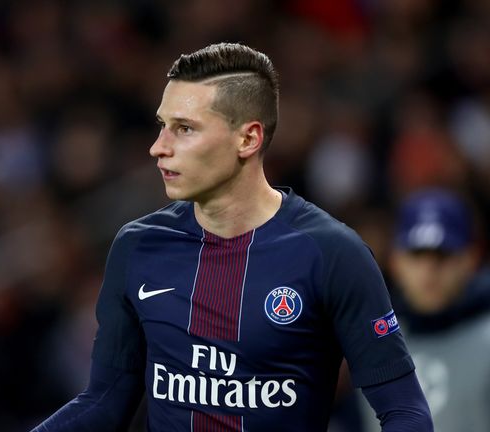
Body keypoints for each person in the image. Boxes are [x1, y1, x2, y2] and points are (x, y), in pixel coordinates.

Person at [32, 43, 432, 431]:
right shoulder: (137, 247)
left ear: (248, 139)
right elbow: (104, 402)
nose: (158, 148)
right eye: (162, 126)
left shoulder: (331, 254)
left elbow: (405, 411)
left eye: (184, 129)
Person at [377, 189, 490, 431]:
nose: (429, 270)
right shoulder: (376, 344)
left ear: (471, 259)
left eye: (443, 255)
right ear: (395, 262)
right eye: (417, 255)